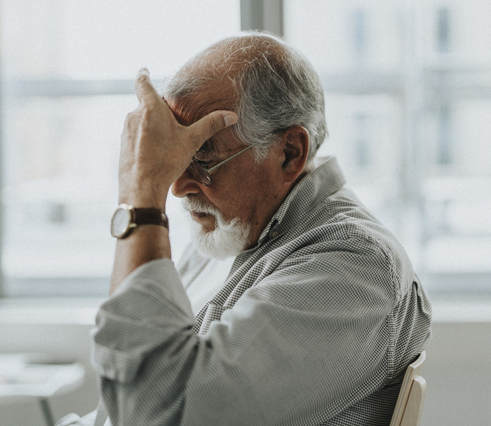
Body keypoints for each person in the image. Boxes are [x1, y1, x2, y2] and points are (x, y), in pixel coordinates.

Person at [58, 32, 431, 426]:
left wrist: (141, 197)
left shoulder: (354, 269)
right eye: (173, 158)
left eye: (202, 156)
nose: (177, 187)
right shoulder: (229, 233)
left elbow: (161, 414)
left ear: (290, 153)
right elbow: (121, 407)